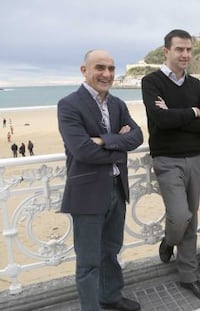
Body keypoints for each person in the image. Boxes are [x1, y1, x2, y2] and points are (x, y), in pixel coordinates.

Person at [57, 49, 143, 311]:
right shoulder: (69, 105)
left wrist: (105, 140)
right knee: (88, 261)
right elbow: (82, 150)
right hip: (87, 193)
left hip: (117, 189)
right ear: (85, 70)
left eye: (111, 69)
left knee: (111, 251)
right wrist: (119, 146)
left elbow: (138, 136)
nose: (106, 74)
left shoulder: (118, 104)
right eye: (100, 68)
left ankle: (111, 296)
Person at [141, 29, 200, 301]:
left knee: (191, 217)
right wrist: (191, 113)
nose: (185, 55)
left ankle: (189, 276)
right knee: (180, 215)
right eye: (179, 50)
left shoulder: (196, 85)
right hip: (167, 159)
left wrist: (176, 114)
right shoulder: (152, 82)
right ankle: (168, 241)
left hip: (196, 158)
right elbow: (161, 121)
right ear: (166, 51)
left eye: (188, 50)